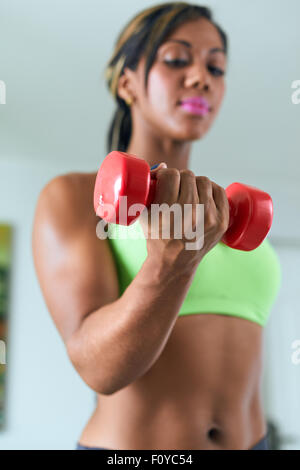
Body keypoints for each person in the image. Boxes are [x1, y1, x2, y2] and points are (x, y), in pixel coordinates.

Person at [32, 2, 281, 450]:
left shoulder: (219, 211)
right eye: (176, 59)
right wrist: (170, 263)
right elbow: (98, 369)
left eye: (216, 67)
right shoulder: (74, 197)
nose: (200, 77)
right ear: (128, 83)